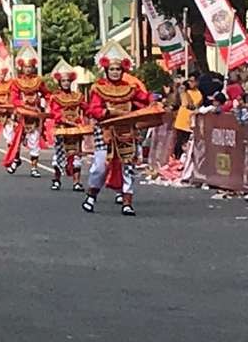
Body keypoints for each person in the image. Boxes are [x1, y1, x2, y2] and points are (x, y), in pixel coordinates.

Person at [81, 40, 154, 217]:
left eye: (118, 69)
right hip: (105, 131)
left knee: (128, 166)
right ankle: (91, 195)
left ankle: (127, 201)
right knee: (100, 166)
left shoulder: (130, 88)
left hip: (127, 131)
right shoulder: (99, 88)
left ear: (123, 71)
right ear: (106, 70)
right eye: (112, 69)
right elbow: (94, 109)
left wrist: (154, 100)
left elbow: (145, 98)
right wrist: (108, 112)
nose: (115, 72)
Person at [2, 44, 48, 178]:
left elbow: (47, 93)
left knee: (34, 140)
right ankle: (16, 160)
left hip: (34, 116)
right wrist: (23, 104)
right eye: (25, 67)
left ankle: (34, 167)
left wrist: (50, 102)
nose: (28, 69)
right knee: (13, 139)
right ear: (21, 67)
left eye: (30, 67)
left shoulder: (38, 81)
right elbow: (14, 98)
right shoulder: (16, 82)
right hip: (20, 115)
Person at [48, 59, 88, 192]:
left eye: (68, 81)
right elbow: (55, 113)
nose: (66, 83)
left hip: (76, 130)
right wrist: (67, 121)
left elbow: (86, 109)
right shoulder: (55, 97)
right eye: (63, 81)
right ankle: (57, 180)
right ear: (59, 82)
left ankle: (77, 182)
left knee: (76, 155)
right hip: (61, 129)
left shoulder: (78, 96)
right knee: (59, 154)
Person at [172, 72, 202, 160]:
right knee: (178, 144)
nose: (190, 83)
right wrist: (178, 90)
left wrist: (186, 93)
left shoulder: (198, 94)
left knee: (186, 145)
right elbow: (178, 103)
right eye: (189, 81)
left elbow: (191, 106)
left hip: (188, 123)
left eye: (192, 81)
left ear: (197, 82)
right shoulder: (185, 91)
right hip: (180, 121)